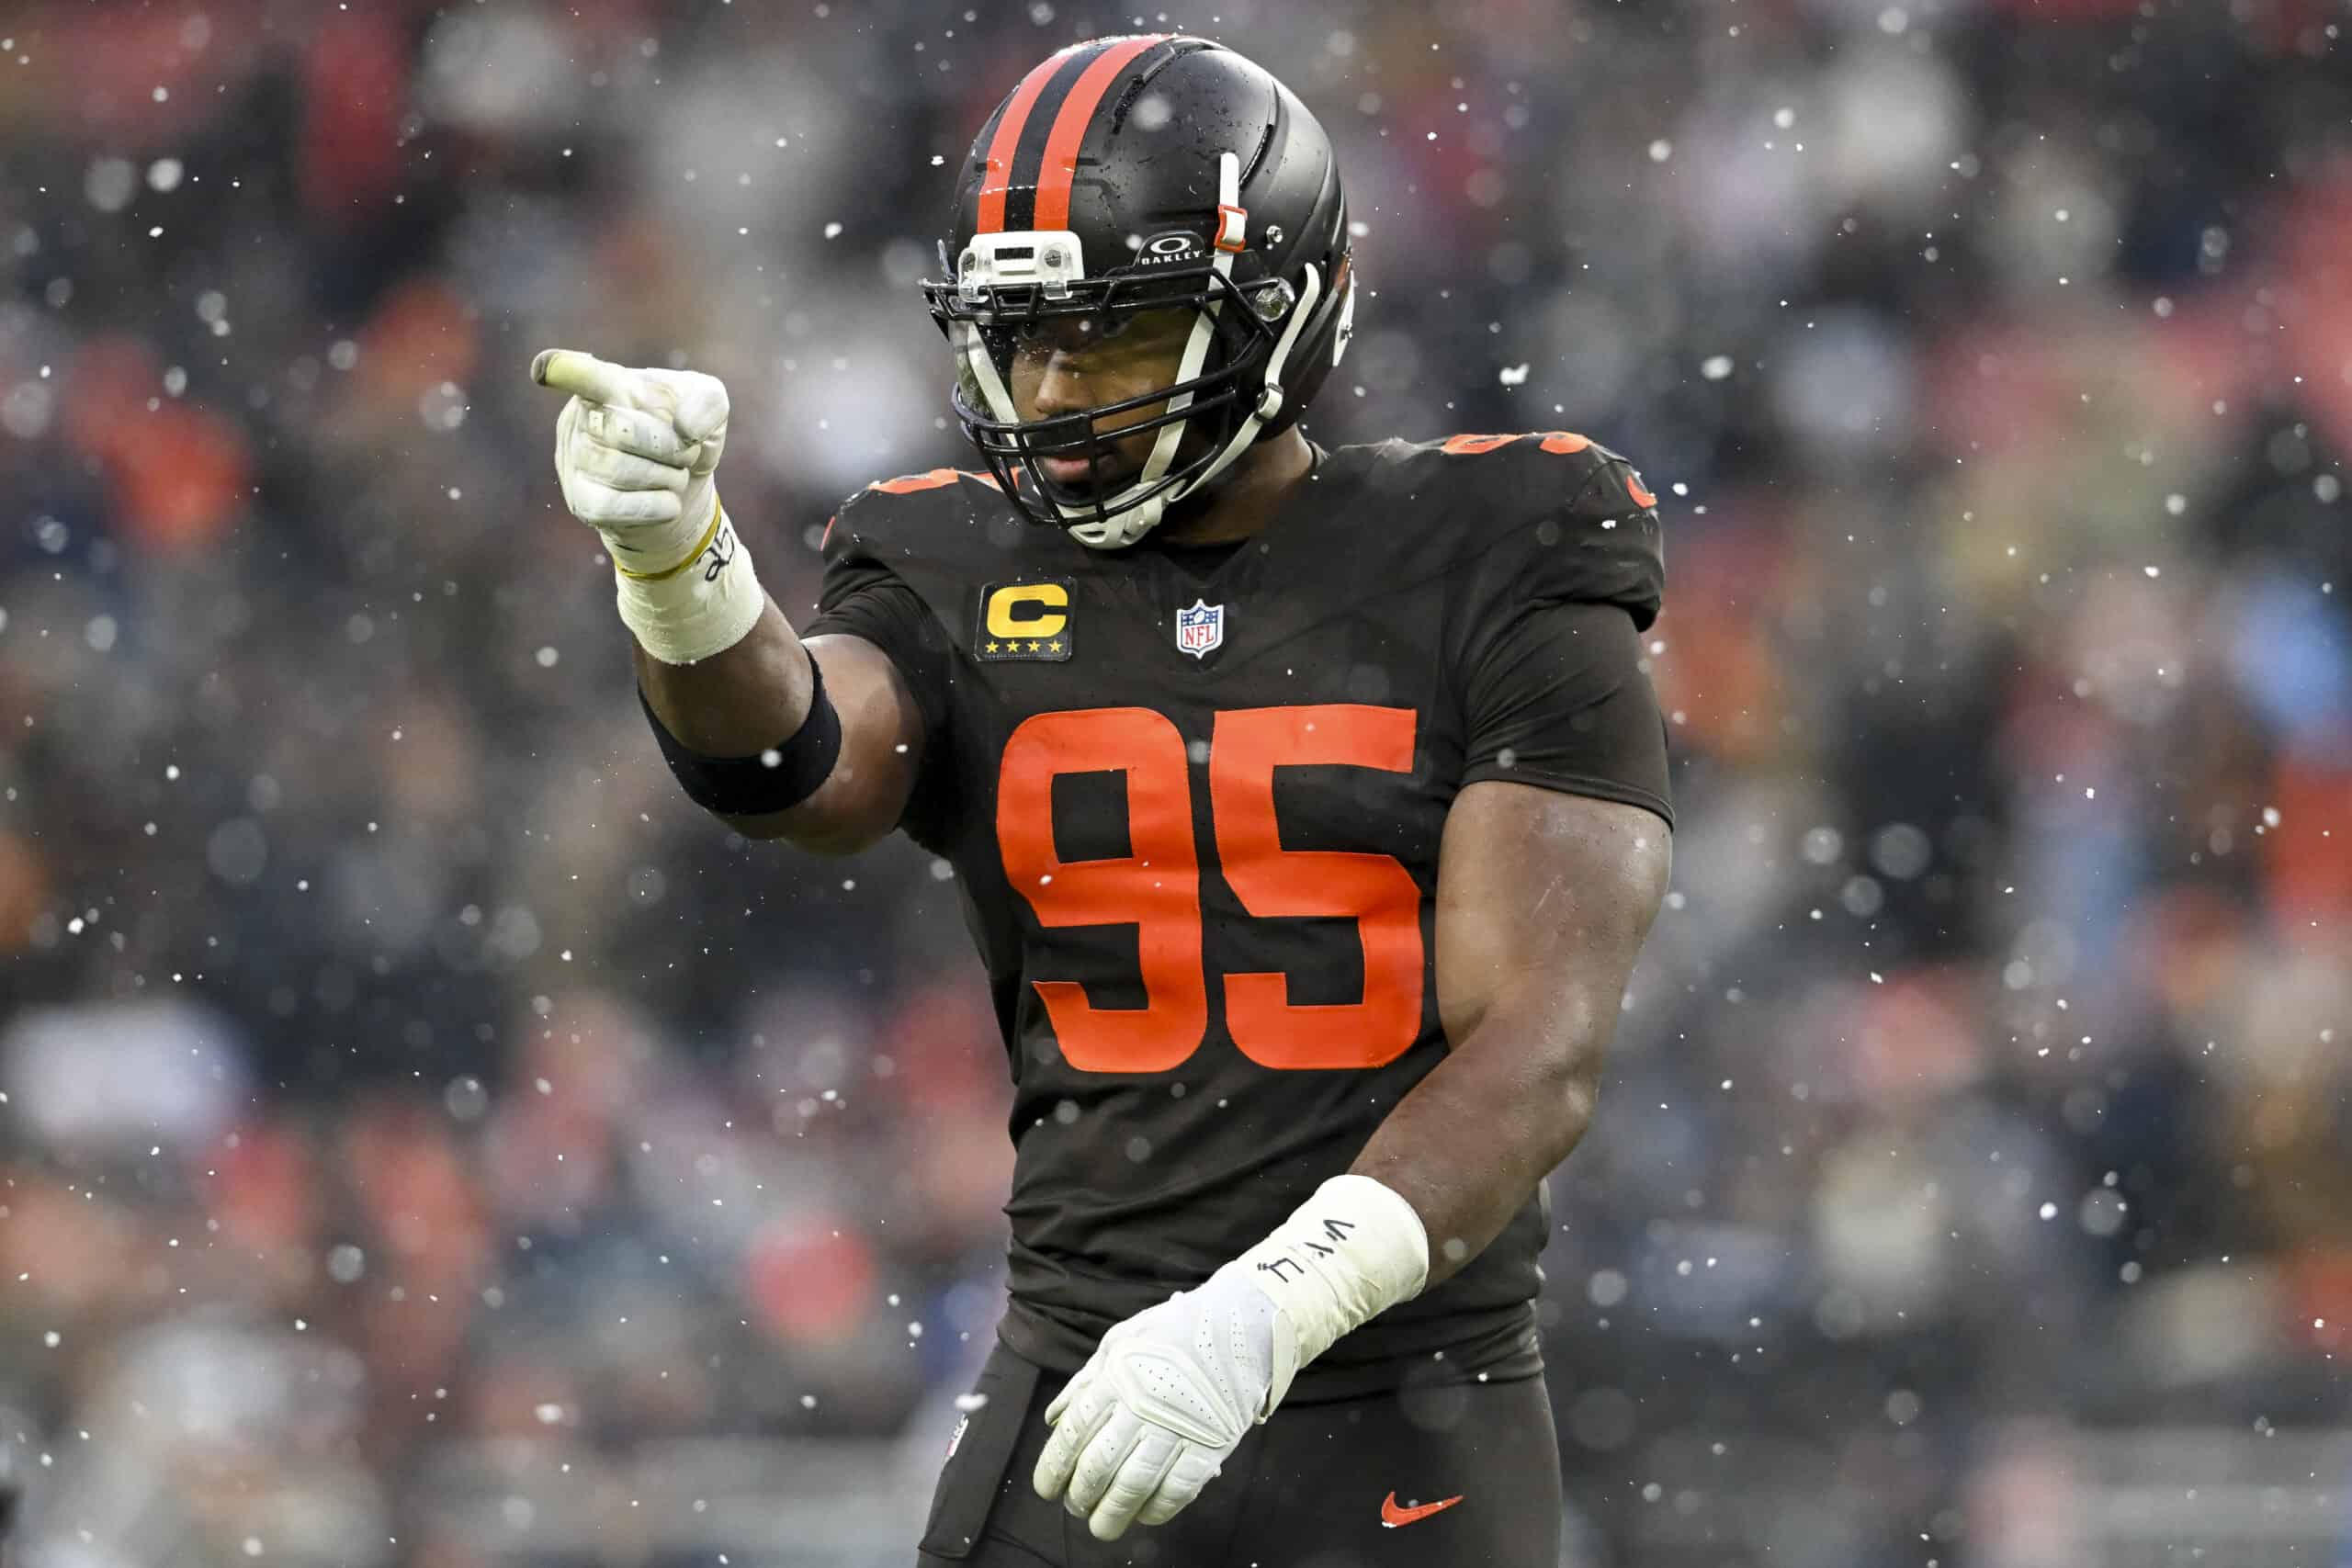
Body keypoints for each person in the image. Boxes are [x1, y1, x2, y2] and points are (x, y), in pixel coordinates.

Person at [535, 33, 1671, 1566]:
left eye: (1114, 335)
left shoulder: (1495, 549)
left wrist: (1265, 1314)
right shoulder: (952, 558)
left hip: (1404, 1403)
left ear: (1281, 319)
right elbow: (793, 766)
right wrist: (679, 570)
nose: (1056, 388)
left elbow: (1537, 1049)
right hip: (1085, 1375)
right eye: (1024, 337)